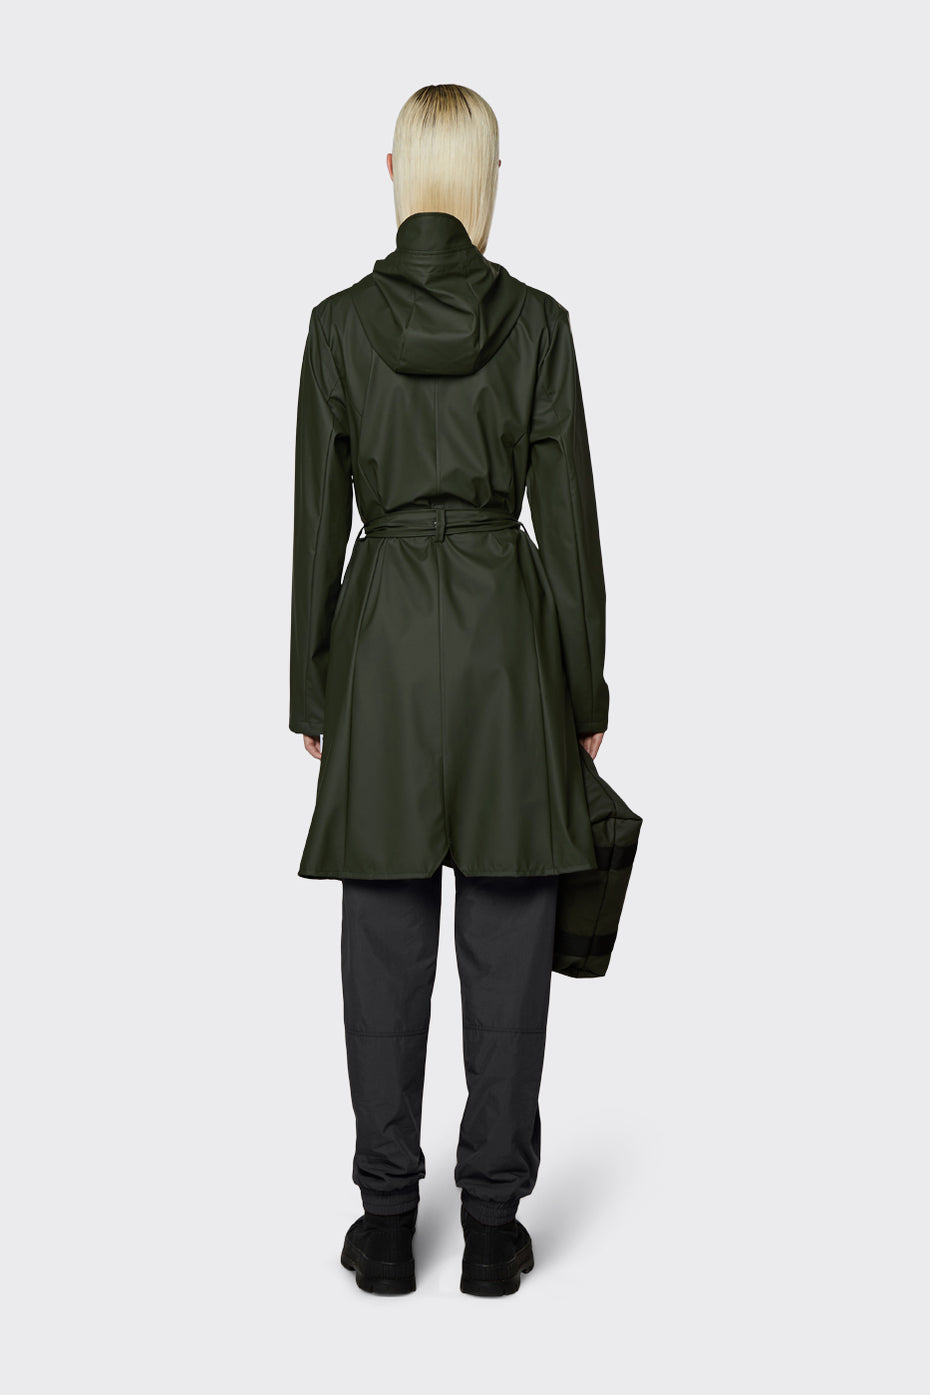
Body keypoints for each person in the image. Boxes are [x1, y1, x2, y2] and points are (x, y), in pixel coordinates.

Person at [289, 84, 609, 1297]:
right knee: (511, 932)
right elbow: (569, 529)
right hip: (506, 646)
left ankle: (385, 1226)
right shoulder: (540, 325)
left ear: (393, 173)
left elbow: (316, 524)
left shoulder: (335, 327)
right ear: (486, 183)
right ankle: (490, 1226)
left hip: (379, 644)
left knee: (383, 937)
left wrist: (313, 690)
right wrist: (585, 691)